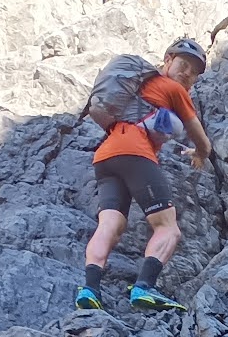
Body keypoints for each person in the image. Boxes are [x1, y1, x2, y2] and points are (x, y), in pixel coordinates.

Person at [75, 38, 213, 313]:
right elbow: (200, 137)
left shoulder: (139, 88)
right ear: (168, 60)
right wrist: (201, 153)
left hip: (106, 157)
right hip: (135, 152)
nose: (188, 73)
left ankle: (90, 289)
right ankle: (144, 287)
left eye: (194, 72)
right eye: (184, 65)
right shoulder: (173, 88)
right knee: (168, 227)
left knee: (111, 224)